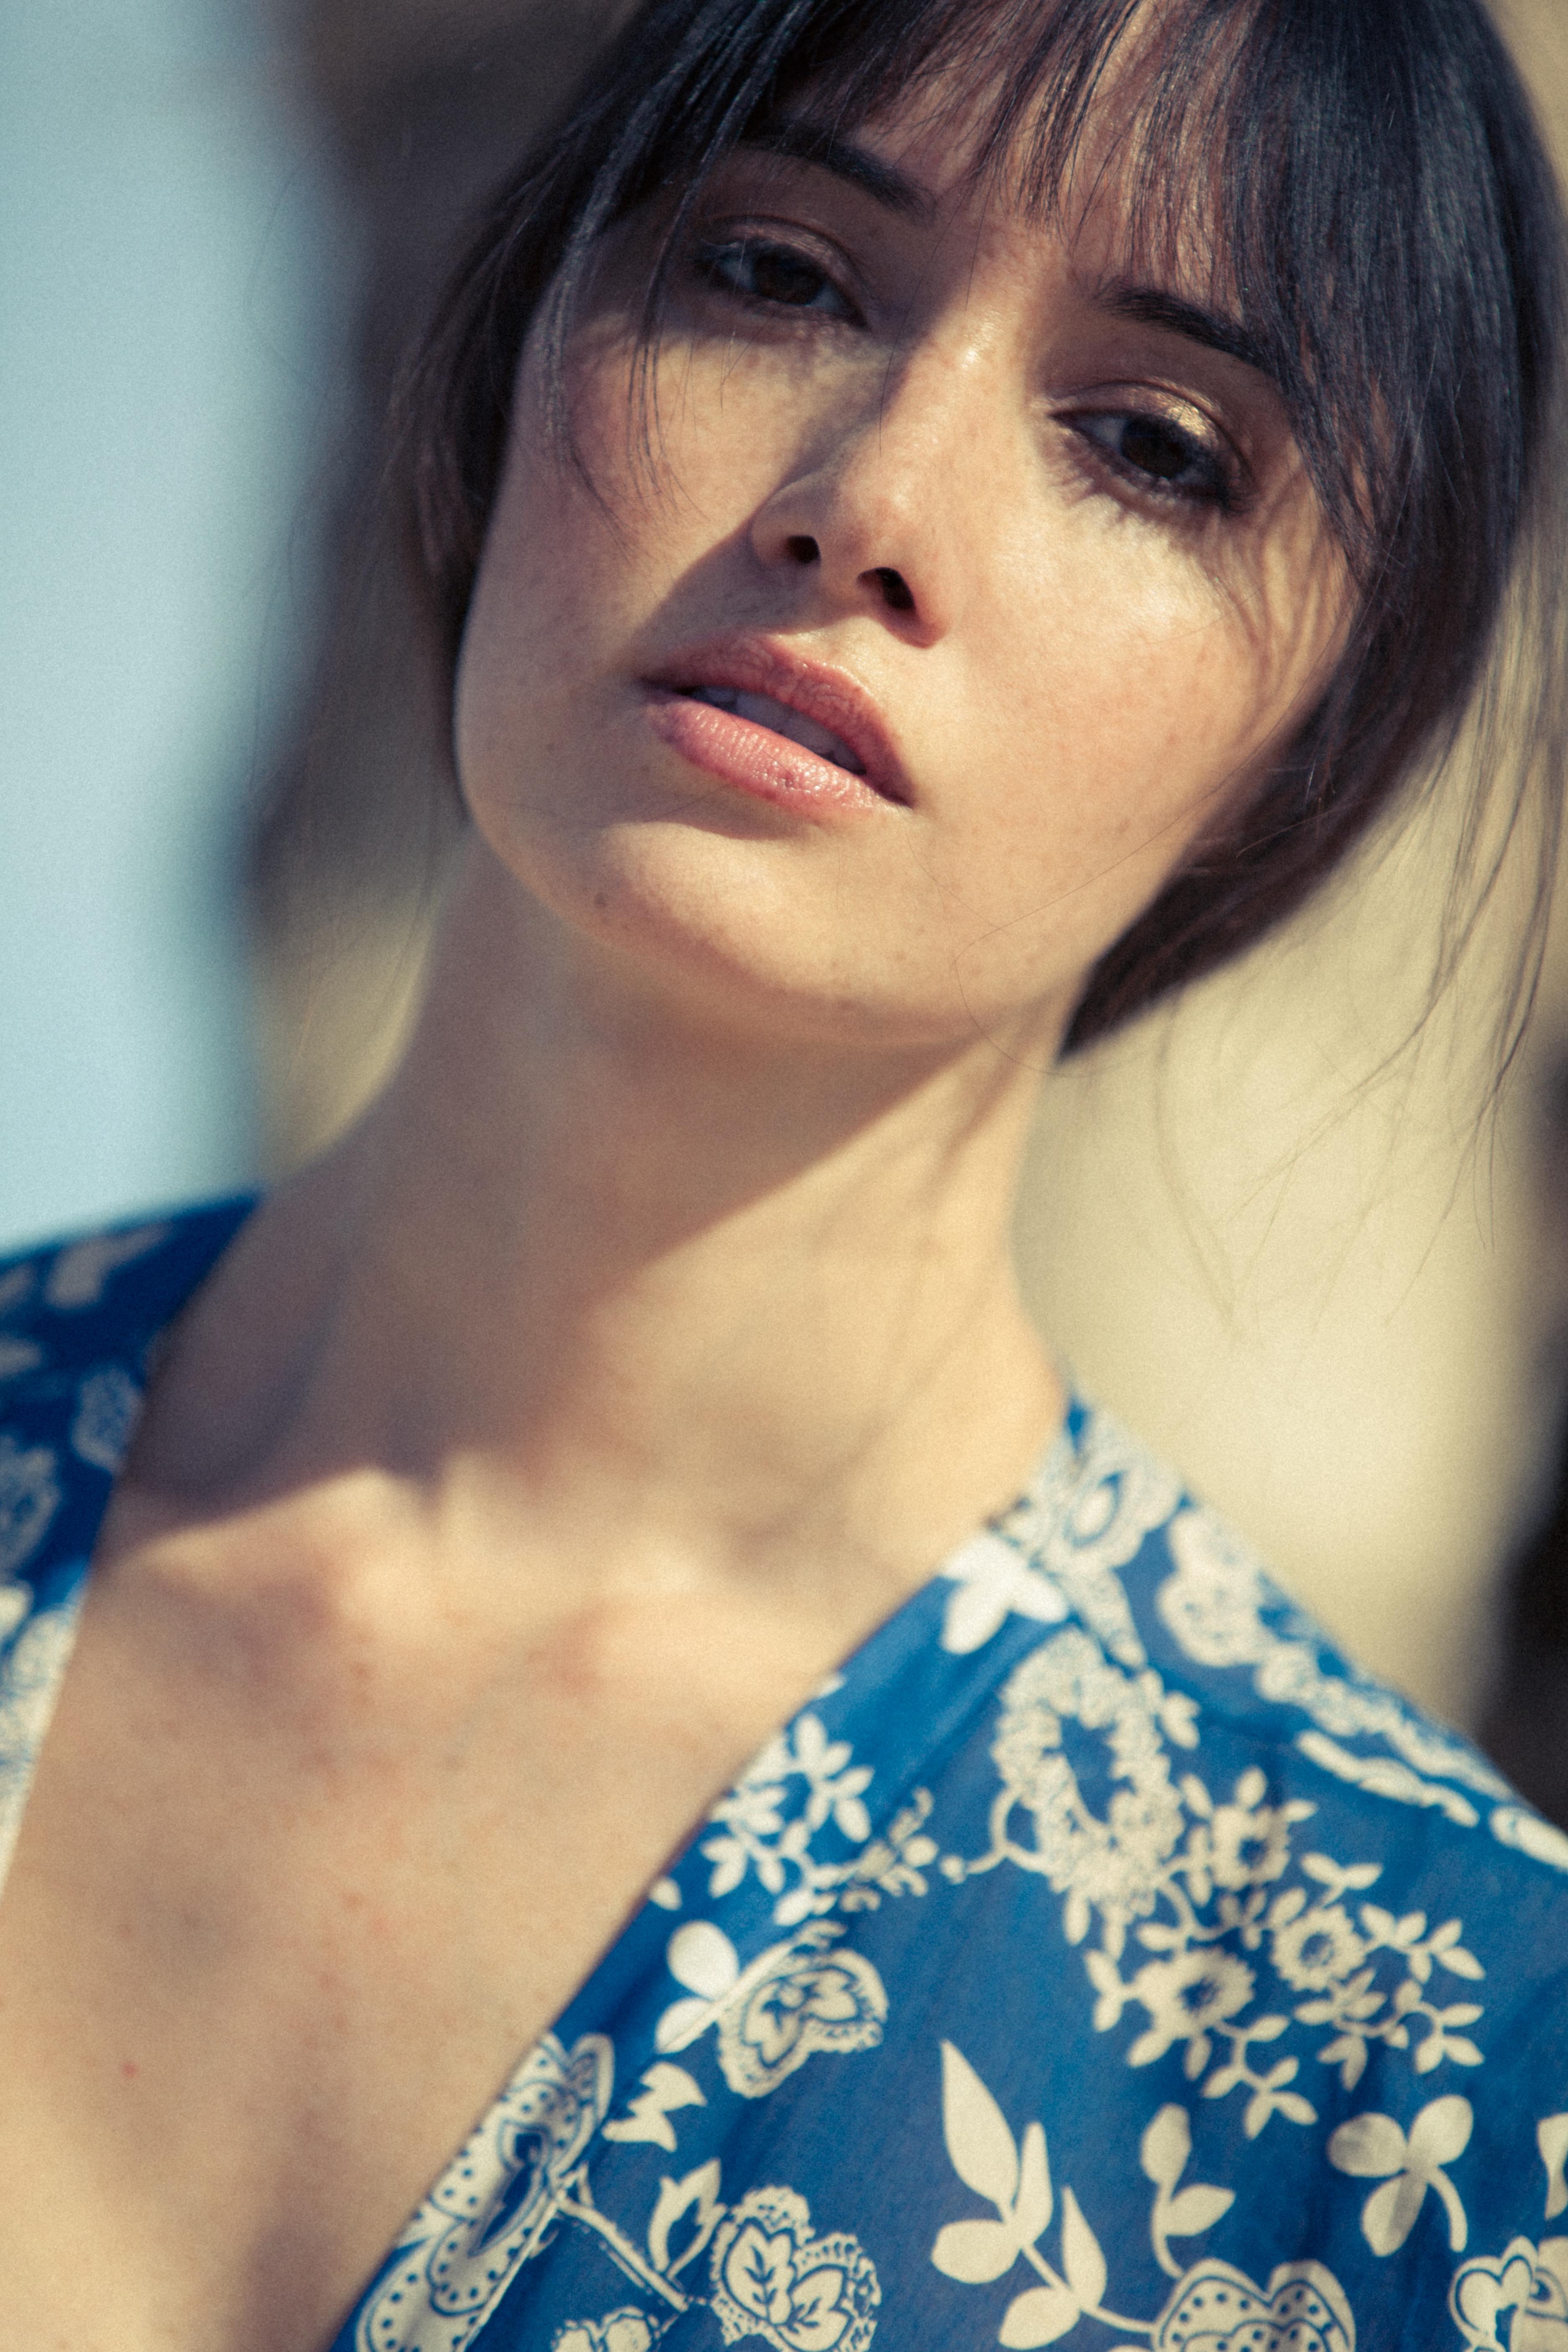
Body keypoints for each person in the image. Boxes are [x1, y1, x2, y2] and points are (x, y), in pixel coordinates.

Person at [3, 0, 1568, 2344]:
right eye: (776, 275)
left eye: (1150, 447)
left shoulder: (1433, 2077)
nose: (875, 504)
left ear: (1314, 743)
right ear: (509, 340)